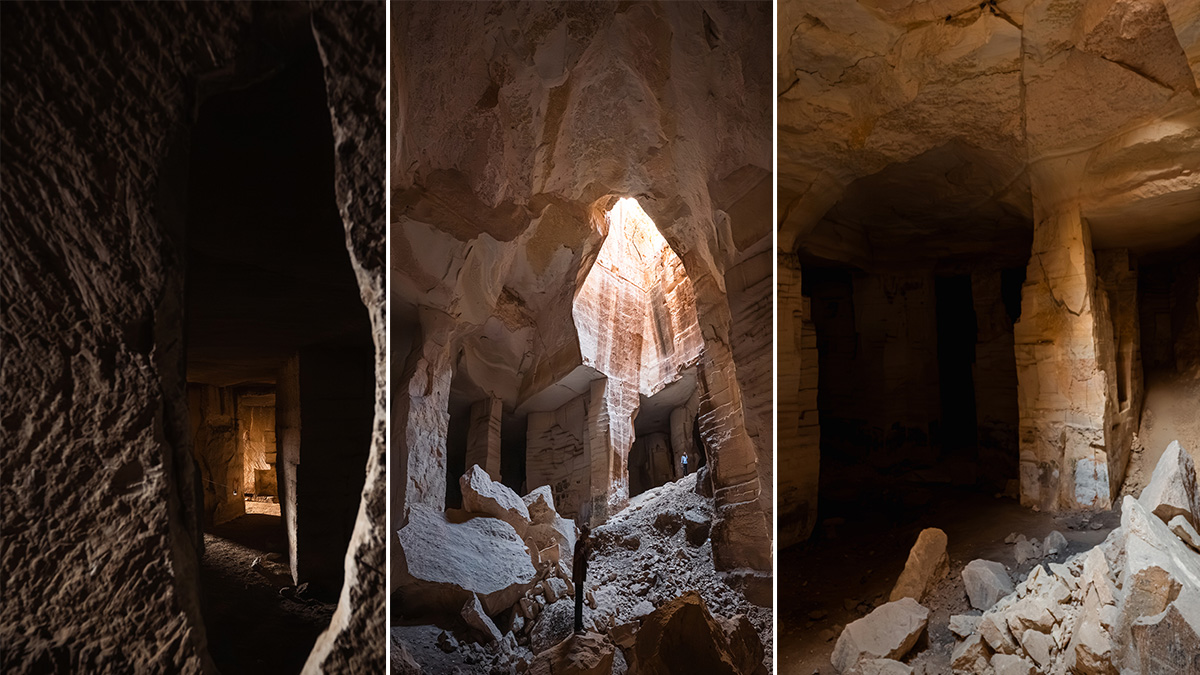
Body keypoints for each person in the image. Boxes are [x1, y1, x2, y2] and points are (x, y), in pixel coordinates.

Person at [572, 523, 594, 634]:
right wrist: (581, 552)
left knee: (580, 601)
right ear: (584, 534)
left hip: (581, 574)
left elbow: (584, 557)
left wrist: (587, 552)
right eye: (587, 535)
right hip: (578, 576)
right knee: (578, 602)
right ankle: (577, 628)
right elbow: (575, 558)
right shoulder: (578, 544)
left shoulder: (583, 543)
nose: (588, 537)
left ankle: (580, 624)